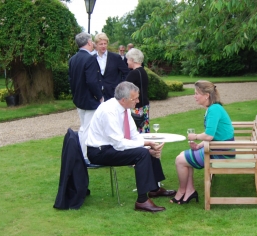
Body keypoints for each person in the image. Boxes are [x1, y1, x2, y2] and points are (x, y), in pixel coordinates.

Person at [86, 81, 176, 212]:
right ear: (123, 100)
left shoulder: (124, 109)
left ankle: (154, 189)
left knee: (146, 150)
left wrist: (149, 148)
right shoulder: (108, 111)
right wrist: (146, 145)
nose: (138, 101)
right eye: (135, 98)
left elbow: (134, 135)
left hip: (111, 147)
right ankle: (142, 201)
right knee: (142, 153)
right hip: (99, 152)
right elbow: (119, 143)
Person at [171, 80, 235, 204]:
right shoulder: (213, 108)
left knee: (180, 160)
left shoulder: (214, 110)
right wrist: (200, 145)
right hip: (220, 147)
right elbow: (215, 135)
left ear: (206, 95)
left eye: (197, 93)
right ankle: (189, 191)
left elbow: (209, 135)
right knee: (182, 156)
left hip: (222, 152)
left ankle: (182, 191)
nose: (194, 96)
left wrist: (194, 136)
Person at [68, 32, 104, 168]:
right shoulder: (90, 59)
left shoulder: (73, 59)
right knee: (88, 129)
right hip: (89, 100)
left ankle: (83, 156)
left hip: (78, 99)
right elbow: (92, 81)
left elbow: (71, 80)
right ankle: (86, 157)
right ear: (89, 42)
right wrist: (100, 96)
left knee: (84, 127)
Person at [93, 33, 130, 101]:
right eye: (101, 44)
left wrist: (121, 86)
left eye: (105, 43)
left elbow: (126, 72)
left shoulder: (115, 57)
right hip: (98, 94)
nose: (103, 46)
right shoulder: (92, 59)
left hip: (114, 93)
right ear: (96, 45)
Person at [125, 48, 150, 133]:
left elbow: (124, 90)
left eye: (128, 59)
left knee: (135, 131)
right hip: (144, 105)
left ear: (132, 60)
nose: (127, 61)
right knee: (144, 130)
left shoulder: (133, 74)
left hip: (136, 107)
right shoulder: (143, 71)